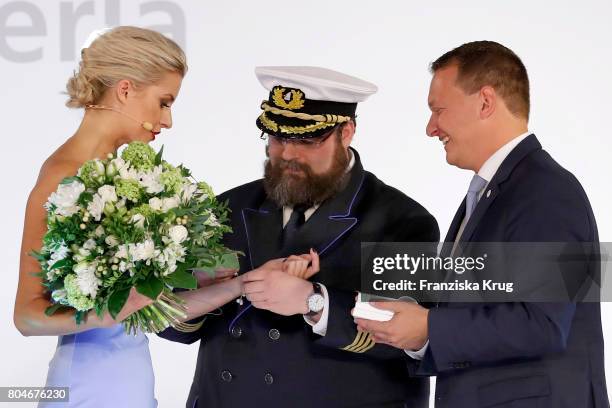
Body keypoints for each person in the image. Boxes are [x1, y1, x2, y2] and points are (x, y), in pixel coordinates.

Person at [159, 66, 439, 408]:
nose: (288, 154)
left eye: (306, 140)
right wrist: (202, 291)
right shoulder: (227, 208)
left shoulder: (404, 220)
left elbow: (413, 340)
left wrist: (314, 301)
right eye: (277, 138)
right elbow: (167, 325)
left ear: (347, 132)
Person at [355, 41, 609, 407]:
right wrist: (419, 335)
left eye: (438, 110)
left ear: (485, 102)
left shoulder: (546, 191)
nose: (431, 128)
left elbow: (543, 323)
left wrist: (429, 327)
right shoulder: (496, 191)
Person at [13, 26, 240, 407]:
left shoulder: (122, 176)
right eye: (163, 101)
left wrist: (192, 279)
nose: (167, 121)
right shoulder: (62, 176)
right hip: (87, 387)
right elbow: (26, 316)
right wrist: (108, 313)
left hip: (131, 378)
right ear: (125, 89)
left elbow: (134, 304)